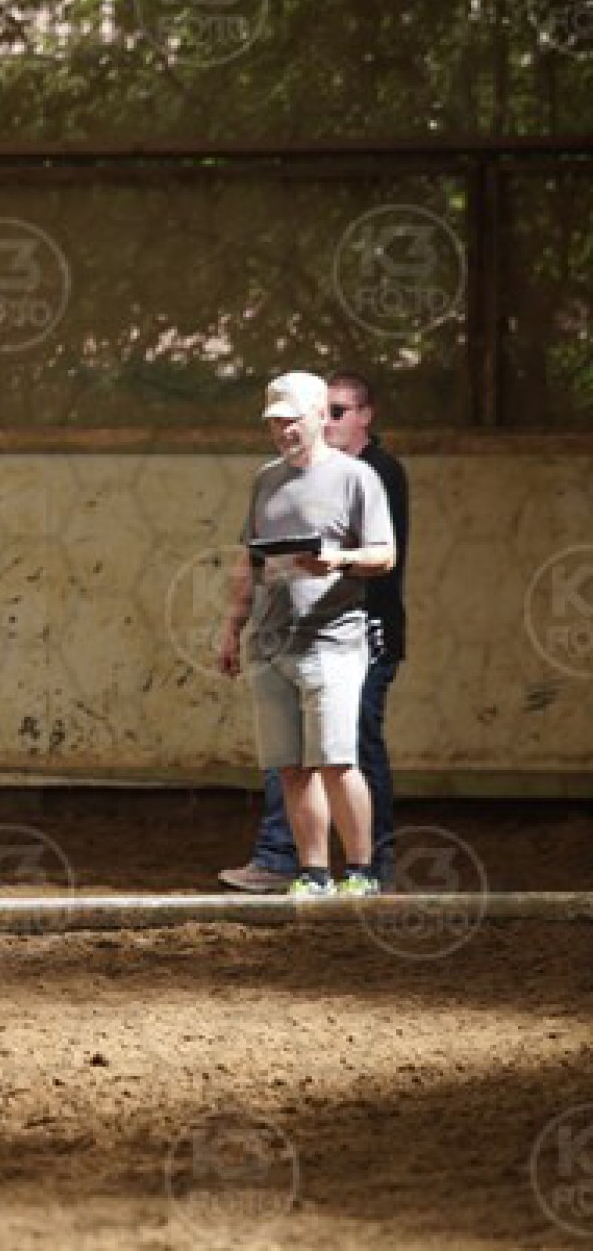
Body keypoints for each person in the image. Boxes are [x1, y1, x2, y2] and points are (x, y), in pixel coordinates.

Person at [219, 372, 408, 893]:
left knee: (336, 760)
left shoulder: (357, 478)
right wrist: (233, 626)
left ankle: (363, 871)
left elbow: (384, 554)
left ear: (319, 416)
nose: (283, 431)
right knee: (289, 766)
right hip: (271, 641)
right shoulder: (265, 480)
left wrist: (338, 560)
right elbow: (249, 560)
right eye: (274, 422)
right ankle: (314, 871)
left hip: (333, 641)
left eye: (292, 420)